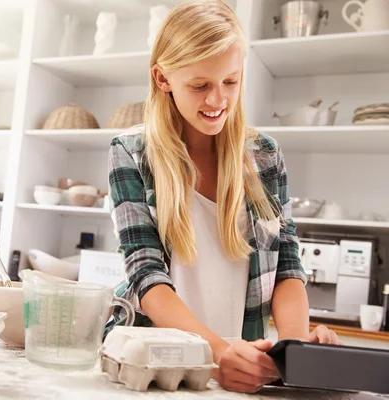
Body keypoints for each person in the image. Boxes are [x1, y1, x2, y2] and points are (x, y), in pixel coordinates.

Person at [106, 0, 340, 394]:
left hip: (239, 370)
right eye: (200, 85)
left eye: (230, 82)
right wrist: (214, 355)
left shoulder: (265, 156)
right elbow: (146, 276)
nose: (218, 101)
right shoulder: (132, 152)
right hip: (154, 369)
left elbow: (287, 264)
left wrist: (294, 351)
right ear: (163, 79)